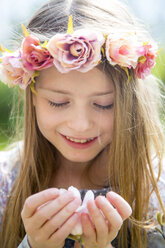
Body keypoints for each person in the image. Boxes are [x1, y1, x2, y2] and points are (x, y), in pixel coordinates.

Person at [0, 0, 165, 247]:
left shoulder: (156, 191)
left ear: (130, 102)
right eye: (57, 102)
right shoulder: (6, 183)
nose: (80, 125)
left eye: (104, 104)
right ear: (32, 96)